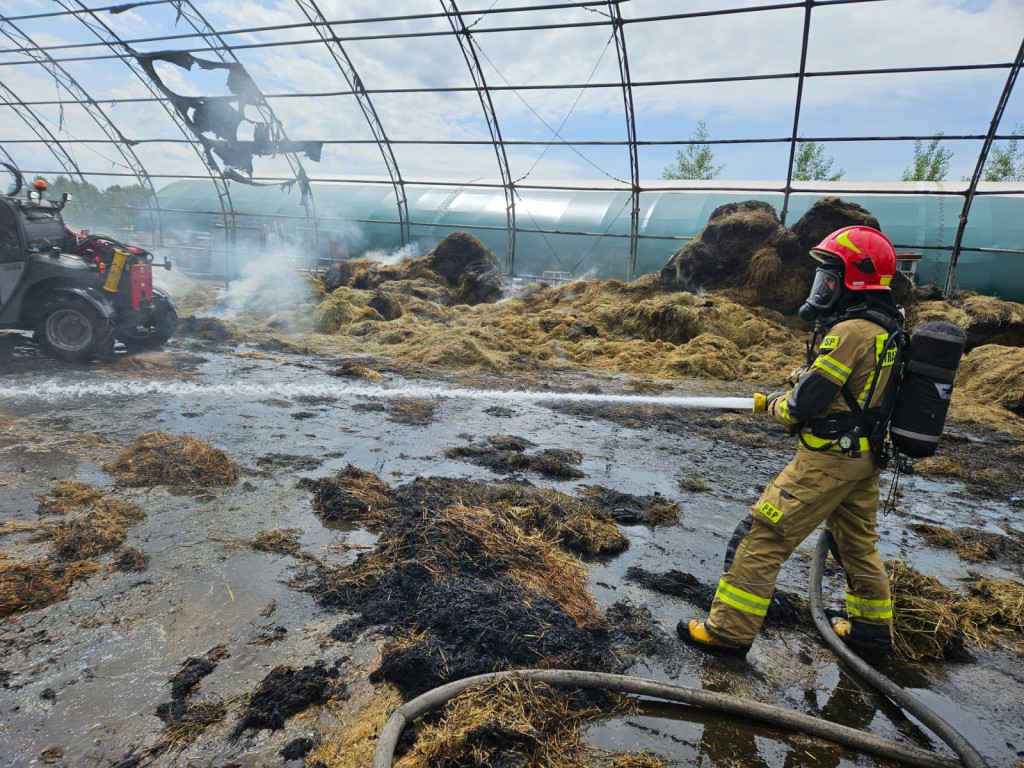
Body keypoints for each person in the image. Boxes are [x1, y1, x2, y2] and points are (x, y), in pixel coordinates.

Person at [678, 225, 905, 664]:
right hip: (864, 457)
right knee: (857, 545)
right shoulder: (887, 327)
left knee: (761, 536)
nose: (822, 285)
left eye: (830, 275)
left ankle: (727, 632)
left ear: (853, 278)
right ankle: (871, 635)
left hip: (828, 460)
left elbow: (806, 402)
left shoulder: (850, 332)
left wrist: (779, 405)